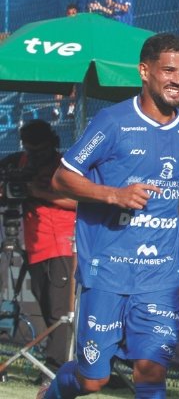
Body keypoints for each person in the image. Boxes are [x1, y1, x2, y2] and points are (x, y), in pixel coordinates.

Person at [40, 33, 179, 399]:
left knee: (151, 371)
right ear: (145, 71)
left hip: (160, 272)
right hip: (107, 270)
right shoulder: (112, 121)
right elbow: (61, 177)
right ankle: (53, 392)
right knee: (92, 380)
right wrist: (113, 194)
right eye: (168, 70)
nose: (177, 80)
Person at [0, 120, 76, 370]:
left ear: (51, 144)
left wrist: (39, 193)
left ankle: (56, 369)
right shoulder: (16, 163)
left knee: (59, 310)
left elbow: (80, 202)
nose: (34, 156)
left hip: (61, 244)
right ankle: (53, 364)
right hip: (33, 244)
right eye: (30, 150)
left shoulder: (65, 166)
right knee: (45, 307)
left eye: (39, 151)